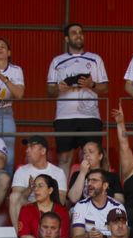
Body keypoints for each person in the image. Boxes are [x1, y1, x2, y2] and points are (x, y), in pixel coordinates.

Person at [45, 23, 108, 171]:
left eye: (80, 32)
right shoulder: (57, 61)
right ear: (67, 39)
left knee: (93, 158)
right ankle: (62, 194)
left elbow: (105, 87)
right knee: (64, 158)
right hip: (64, 117)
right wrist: (59, 88)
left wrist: (91, 84)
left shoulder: (95, 59)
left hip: (90, 116)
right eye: (74, 33)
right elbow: (49, 92)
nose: (78, 35)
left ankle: (97, 192)